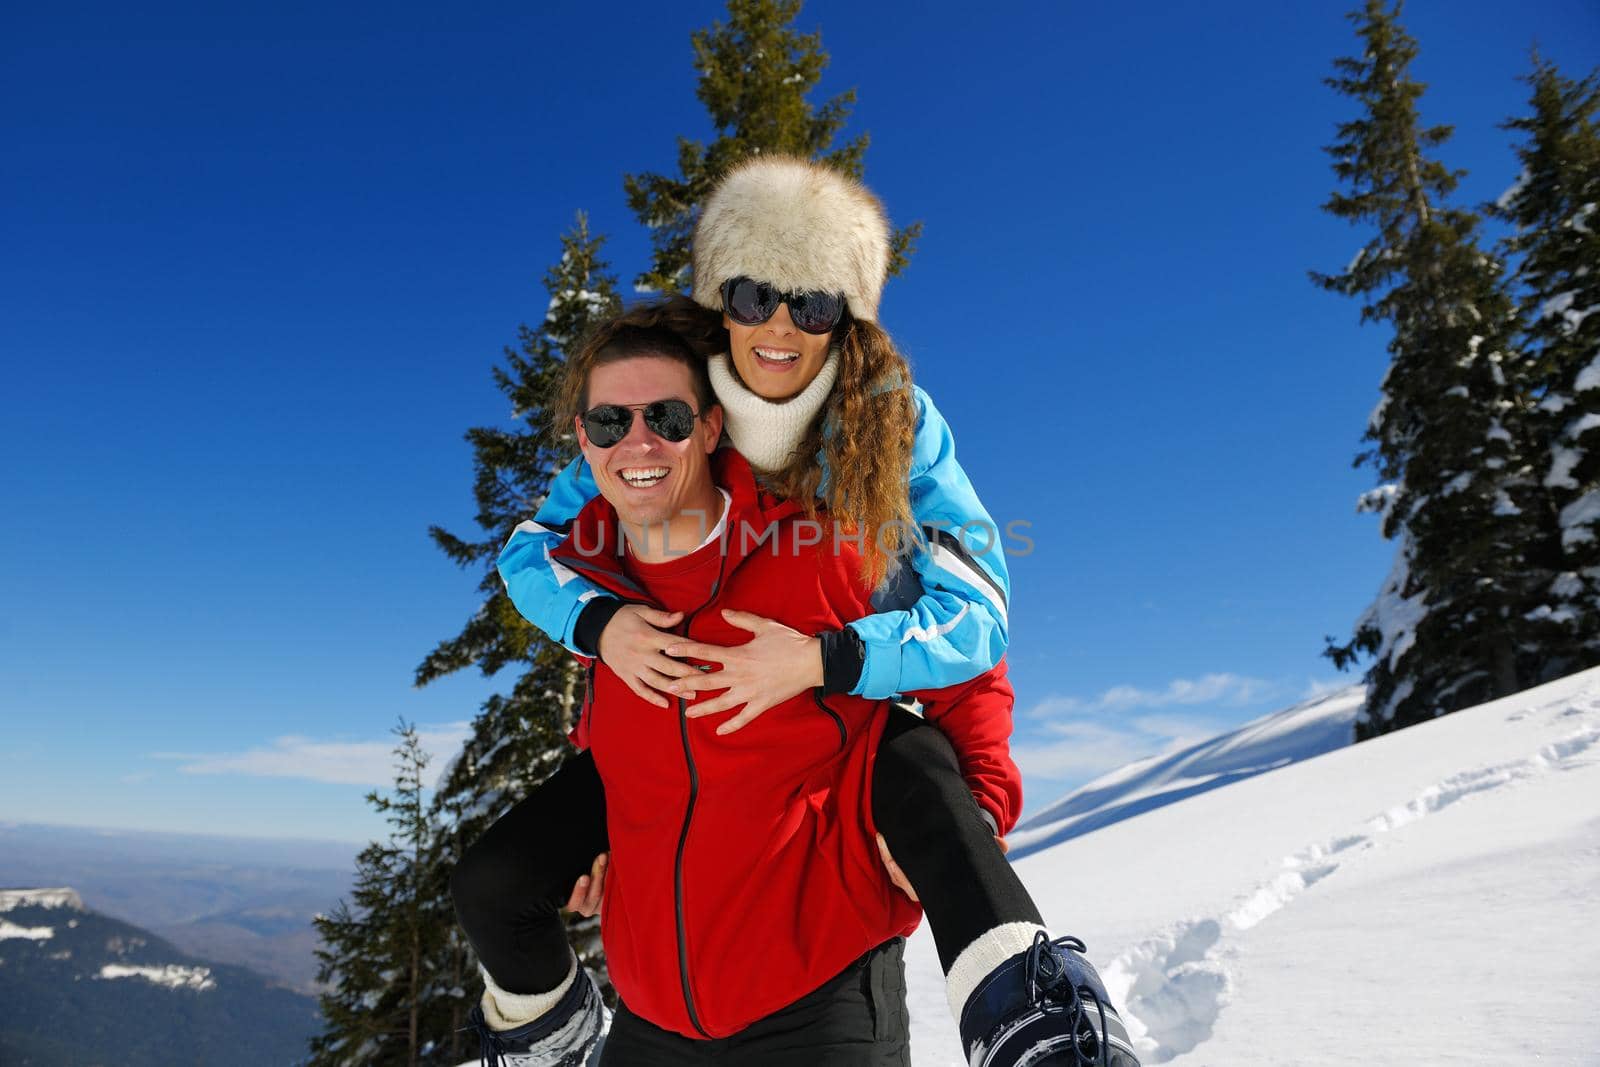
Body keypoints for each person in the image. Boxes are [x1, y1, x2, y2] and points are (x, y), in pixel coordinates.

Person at [457, 158, 1140, 1066]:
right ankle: (550, 1037)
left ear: (845, 320)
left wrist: (834, 669)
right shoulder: (659, 419)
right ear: (720, 306)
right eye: (752, 294)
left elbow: (973, 620)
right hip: (662, 976)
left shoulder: (887, 439)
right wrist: (602, 639)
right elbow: (549, 551)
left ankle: (1038, 1026)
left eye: (813, 305)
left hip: (816, 937)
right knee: (496, 876)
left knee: (912, 763)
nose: (779, 324)